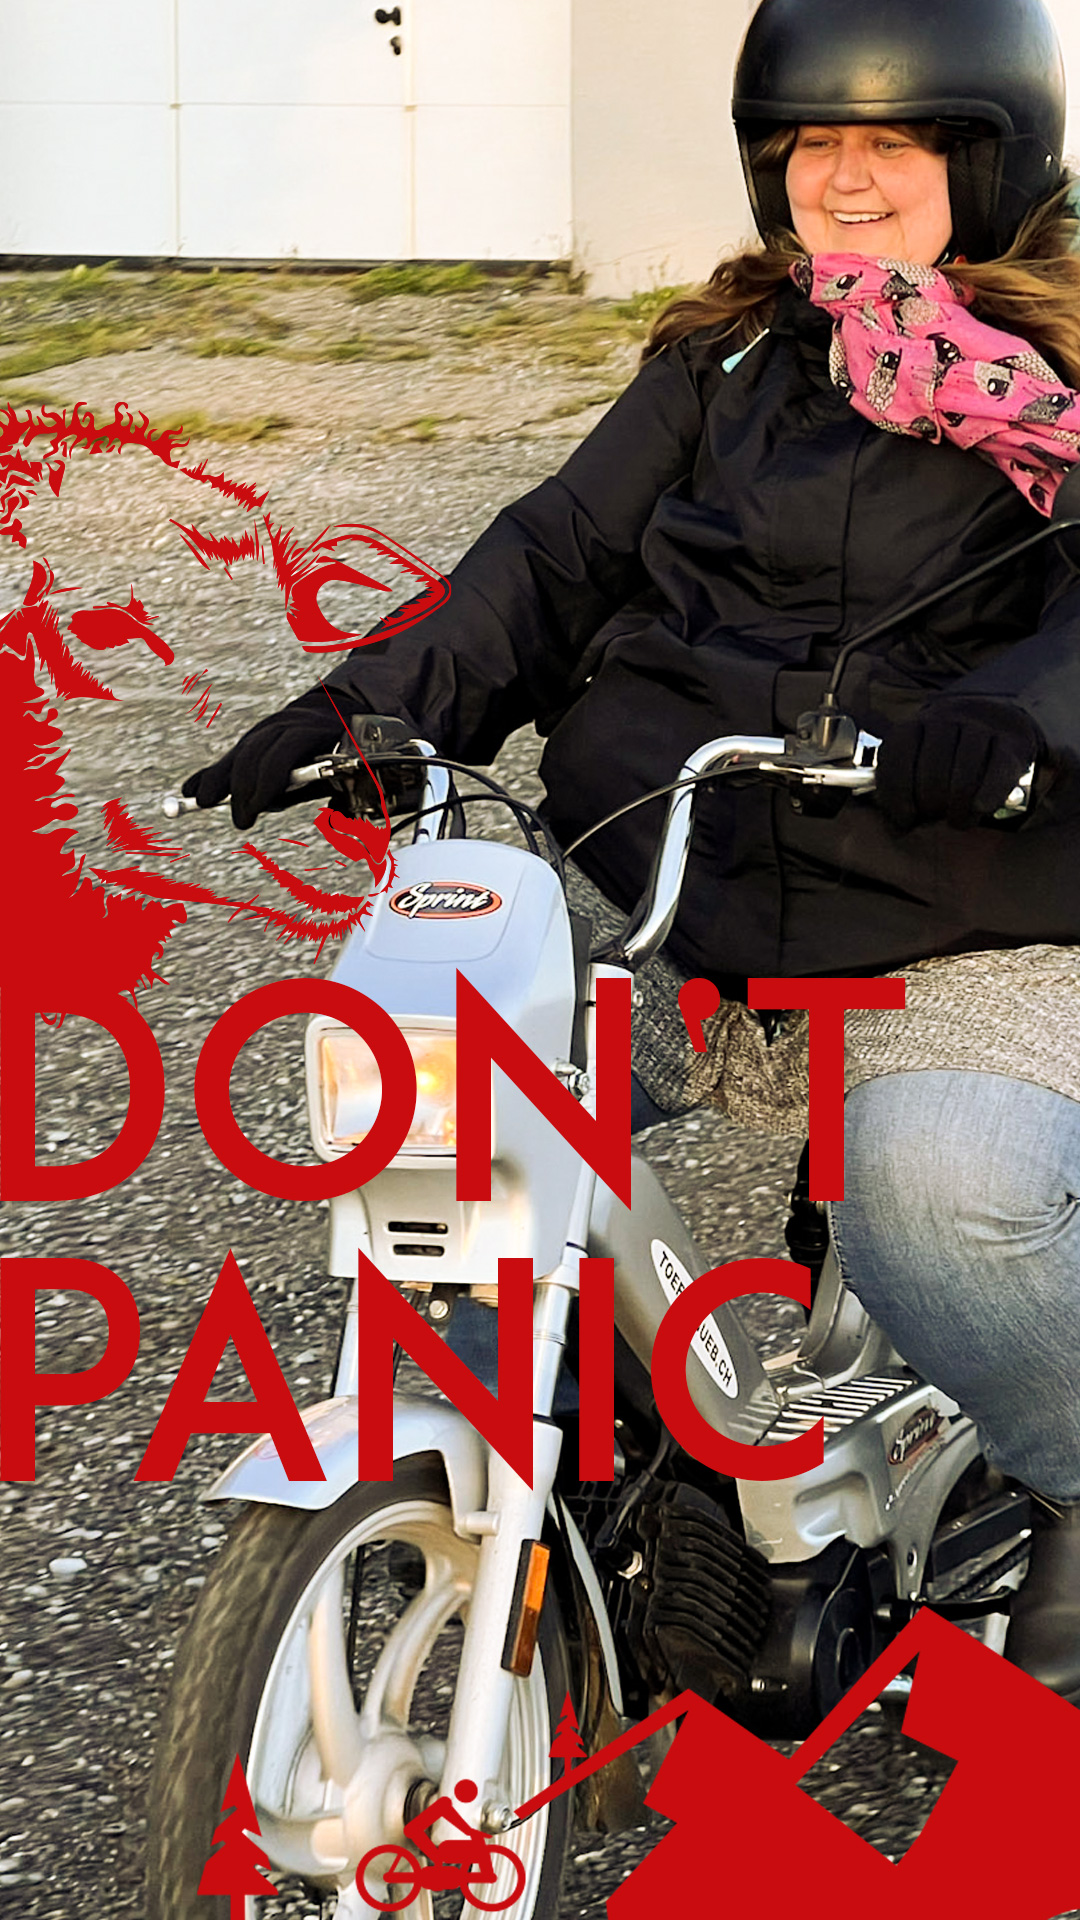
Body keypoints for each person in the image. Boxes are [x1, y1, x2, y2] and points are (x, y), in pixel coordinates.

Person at [185, 0, 1080, 1701]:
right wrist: (367, 708)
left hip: (962, 904)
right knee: (456, 1112)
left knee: (939, 1199)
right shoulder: (723, 360)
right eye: (813, 144)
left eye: (893, 143)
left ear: (992, 160)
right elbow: (552, 561)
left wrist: (1022, 725)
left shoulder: (1062, 381)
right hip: (691, 878)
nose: (846, 180)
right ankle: (590, 1481)